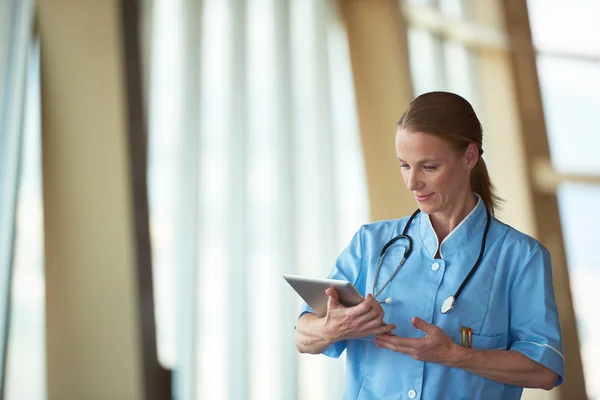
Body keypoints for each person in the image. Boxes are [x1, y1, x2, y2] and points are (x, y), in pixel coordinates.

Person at [294, 91, 564, 400]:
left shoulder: (520, 257)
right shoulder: (370, 243)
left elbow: (545, 370)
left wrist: (456, 355)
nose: (412, 183)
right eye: (404, 166)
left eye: (429, 167)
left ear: (469, 157)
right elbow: (303, 335)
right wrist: (332, 328)